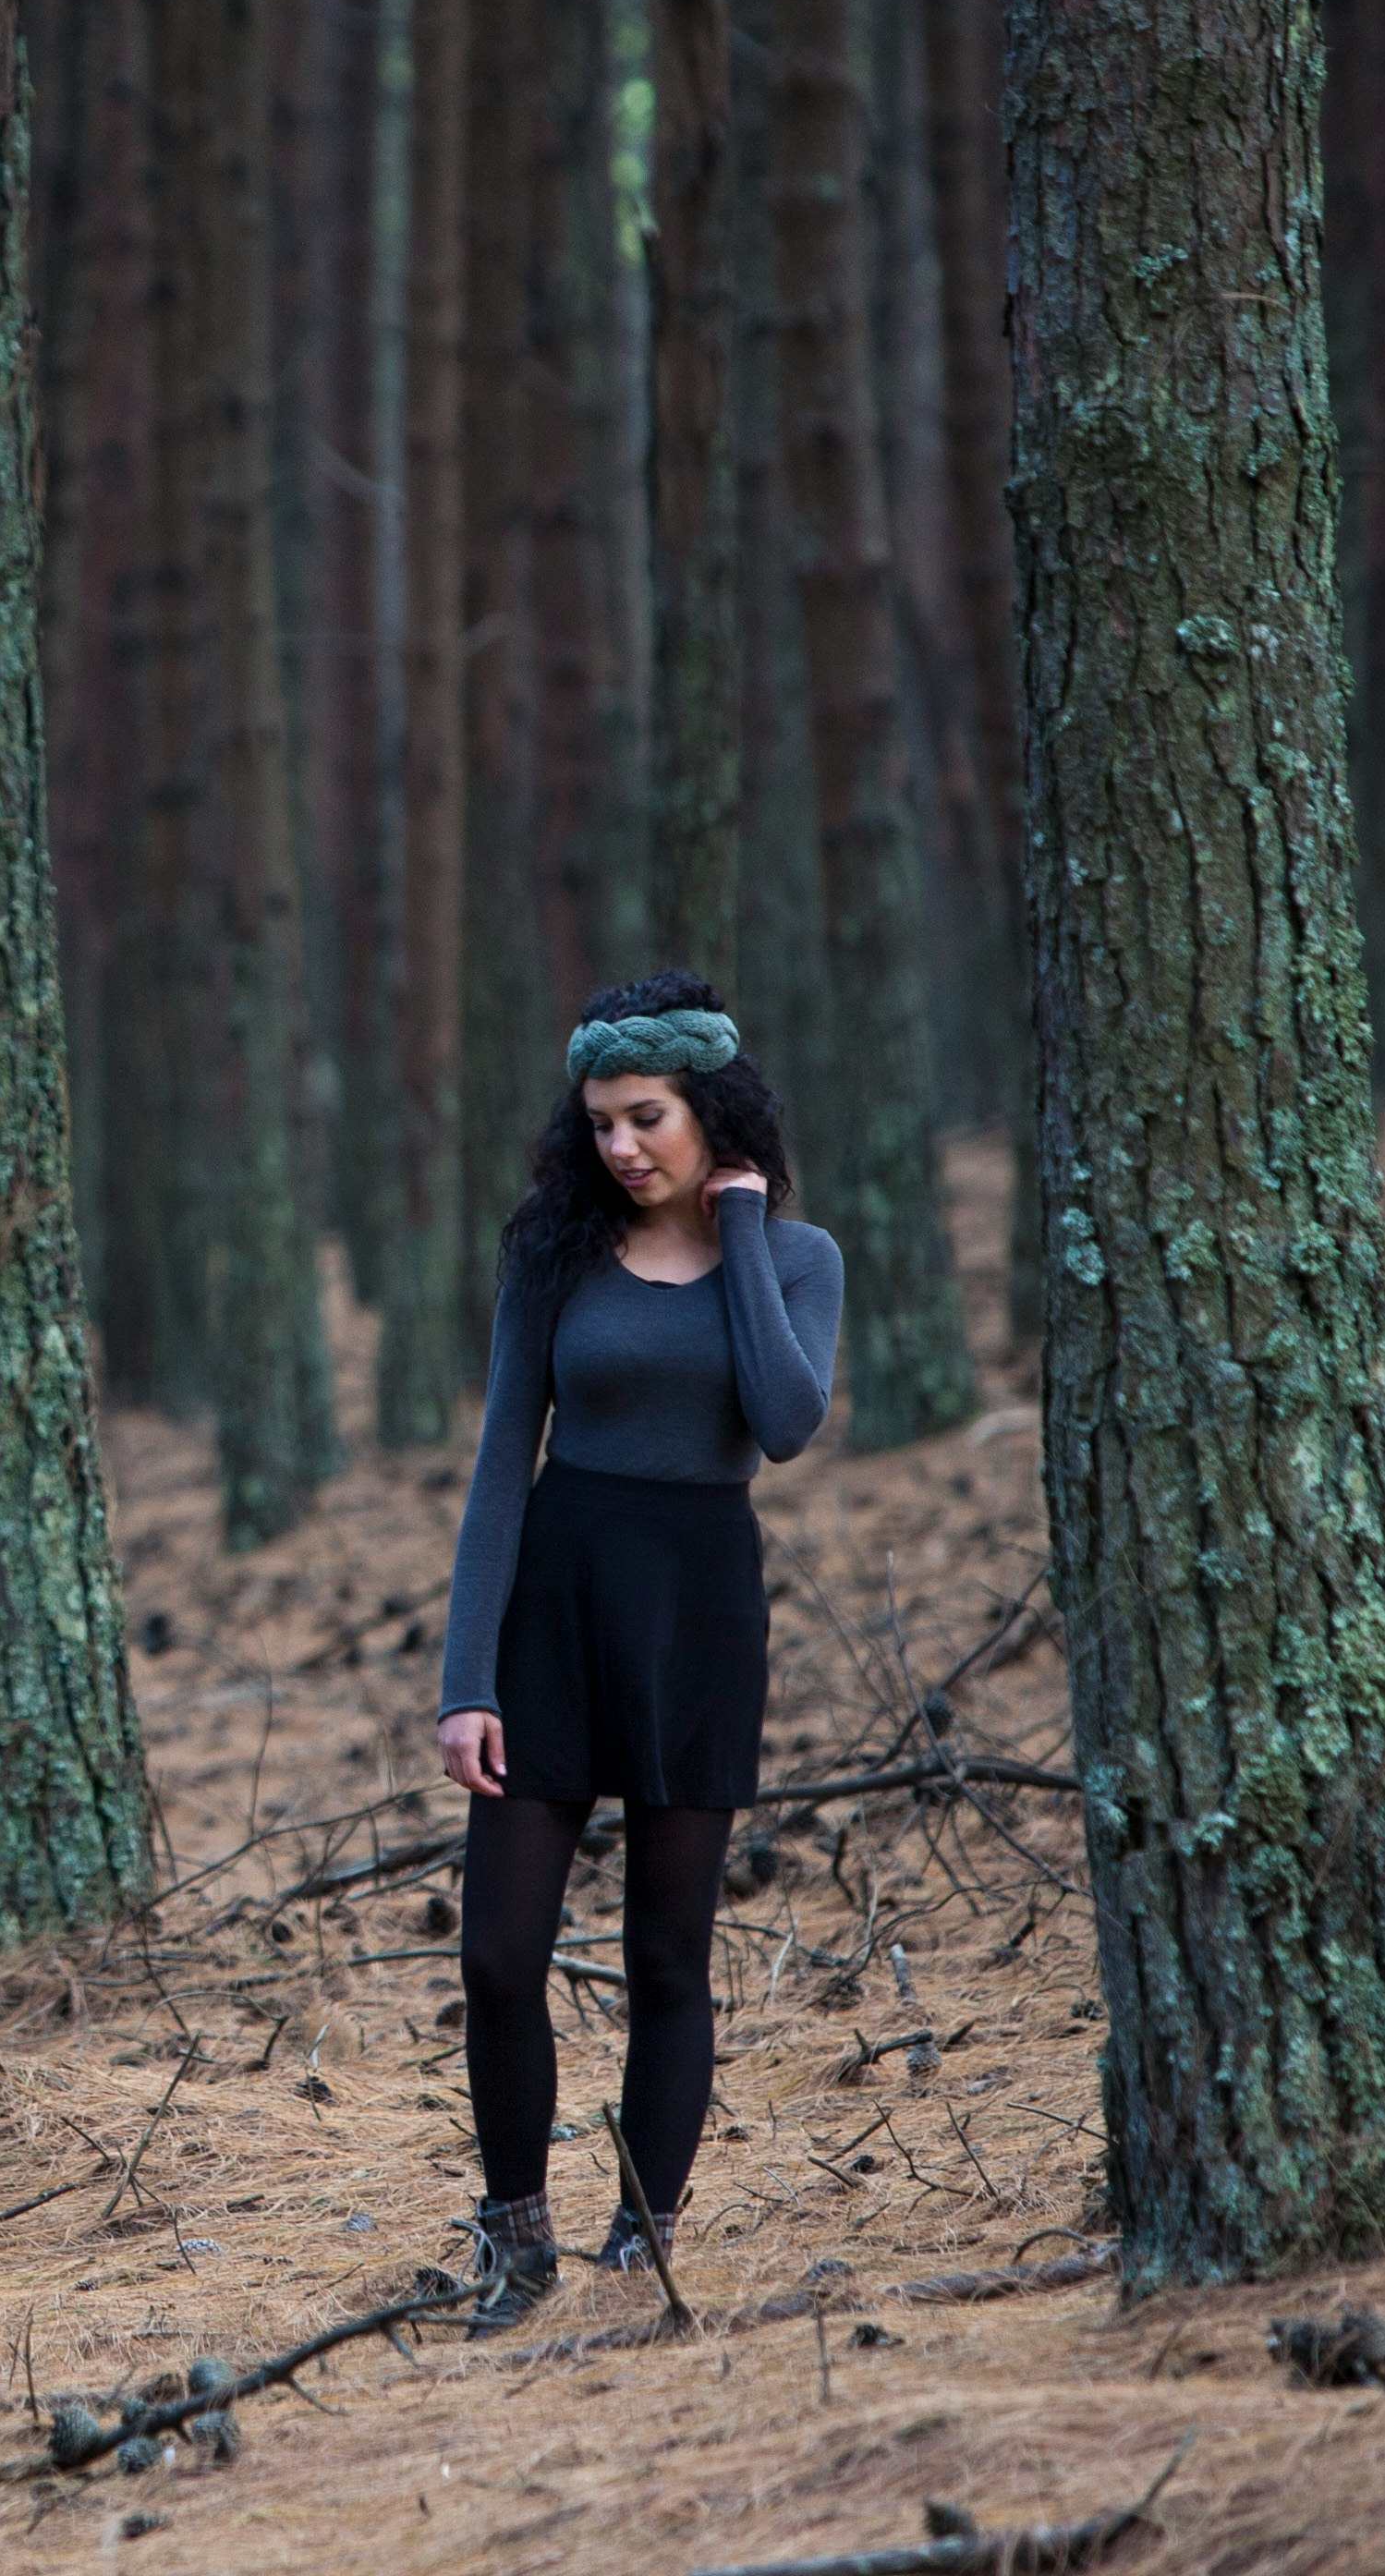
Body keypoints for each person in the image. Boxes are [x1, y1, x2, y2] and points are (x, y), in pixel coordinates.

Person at [430, 968, 842, 2331]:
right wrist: (465, 1682)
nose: (620, 1147)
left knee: (670, 1956)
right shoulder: (552, 1255)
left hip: (701, 1611)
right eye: (600, 1121)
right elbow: (502, 1463)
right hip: (554, 1601)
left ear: (710, 1111)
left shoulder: (796, 1261)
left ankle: (640, 2243)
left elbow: (783, 1422)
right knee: (499, 1951)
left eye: (648, 1117)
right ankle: (517, 2237)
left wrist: (736, 1219)